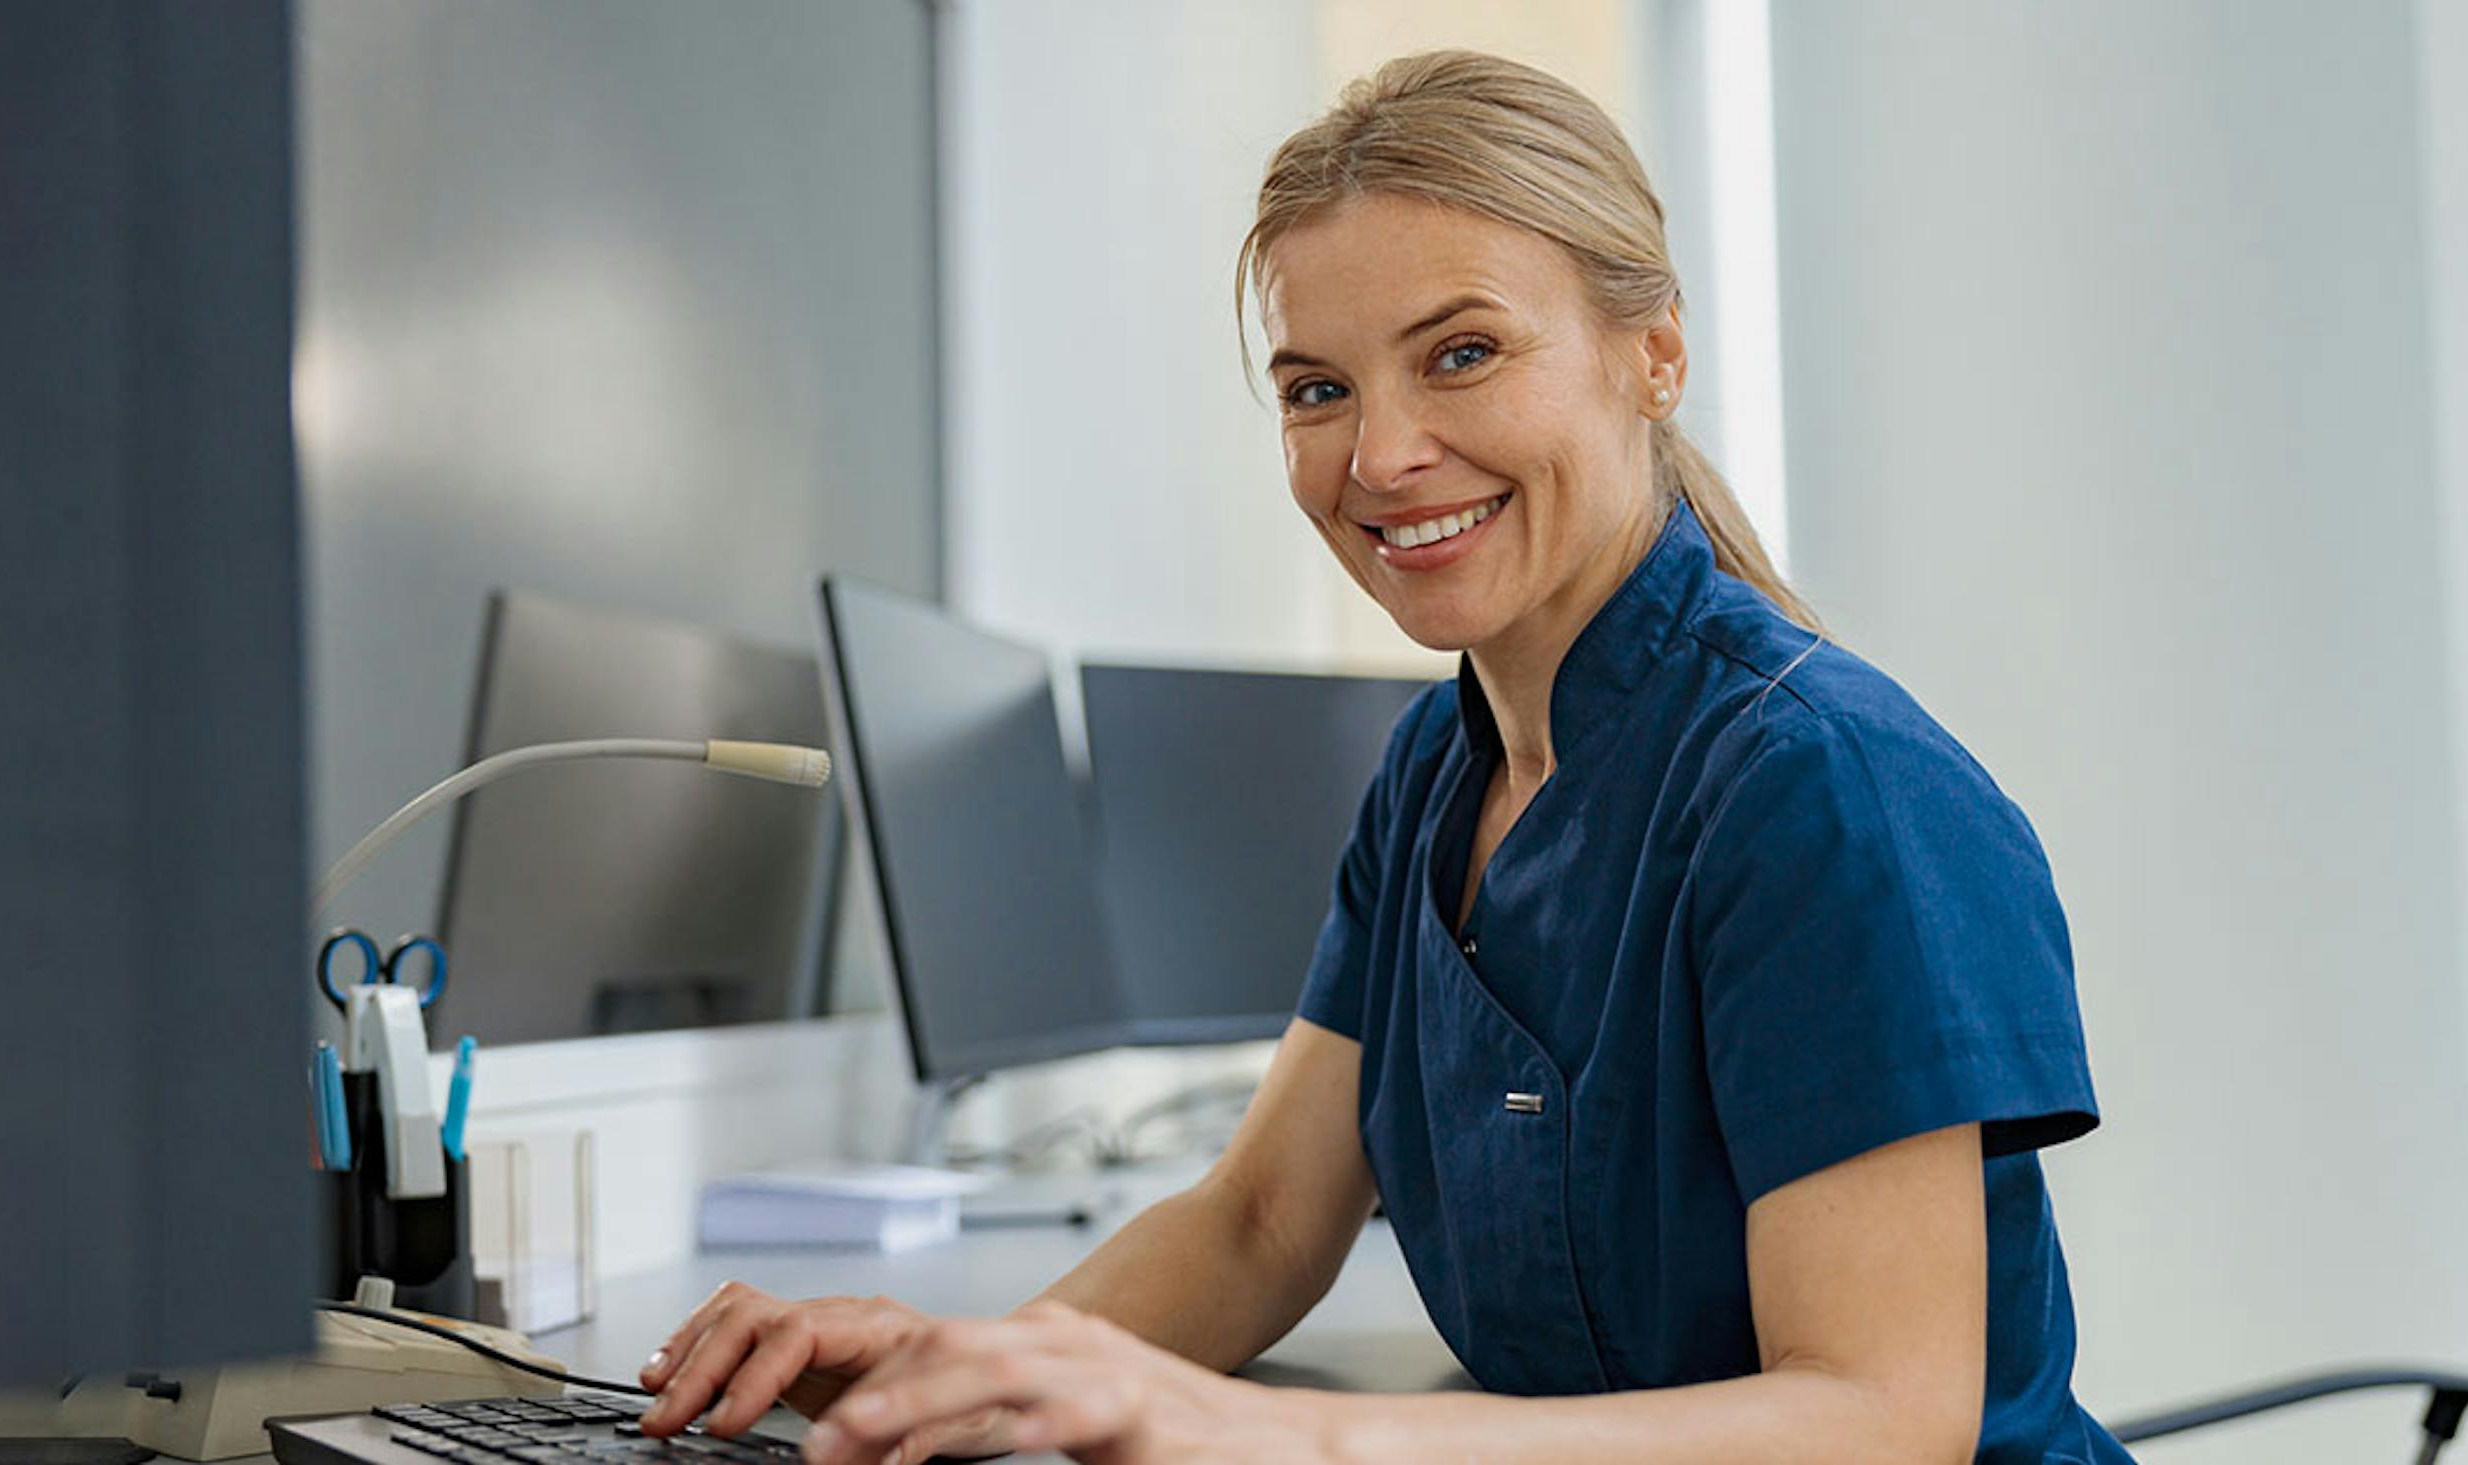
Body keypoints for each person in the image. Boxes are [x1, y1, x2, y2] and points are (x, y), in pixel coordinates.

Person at [636, 51, 2134, 1465]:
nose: (1380, 456)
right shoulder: (1439, 769)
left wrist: (1300, 1436)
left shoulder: (1826, 791)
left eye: (1463, 354)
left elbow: (1881, 1417)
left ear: (1654, 352)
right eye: (1317, 388)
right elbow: (1262, 1220)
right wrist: (964, 1368)